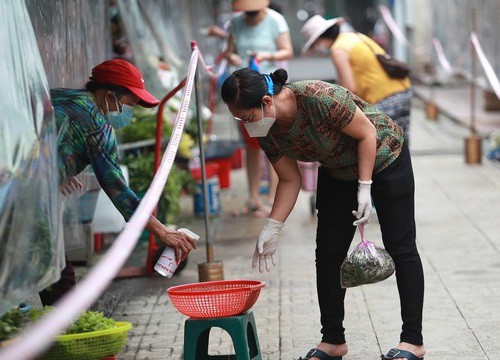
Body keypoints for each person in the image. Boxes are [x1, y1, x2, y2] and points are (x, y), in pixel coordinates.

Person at [220, 68, 425, 360]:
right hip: (338, 169)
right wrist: (273, 226)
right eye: (239, 119)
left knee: (401, 246)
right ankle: (332, 340)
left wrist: (365, 188)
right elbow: (290, 179)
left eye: (247, 117)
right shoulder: (268, 129)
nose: (246, 126)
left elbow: (367, 133)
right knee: (328, 253)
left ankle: (412, 341)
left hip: (383, 155)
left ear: (266, 102)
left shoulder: (318, 96)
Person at [39, 59, 197, 305]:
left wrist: (58, 168)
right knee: (58, 272)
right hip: (25, 193)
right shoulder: (97, 123)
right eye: (129, 104)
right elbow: (117, 188)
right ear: (110, 95)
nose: (129, 112)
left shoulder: (63, 97)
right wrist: (162, 231)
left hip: (18, 180)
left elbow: (43, 136)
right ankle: (62, 333)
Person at [224, 0, 293, 217]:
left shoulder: (275, 20)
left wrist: (267, 56)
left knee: (273, 143)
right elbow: (229, 51)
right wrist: (232, 57)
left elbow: (287, 51)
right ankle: (253, 198)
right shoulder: (235, 22)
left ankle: (273, 198)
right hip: (243, 90)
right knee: (251, 145)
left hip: (267, 88)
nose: (249, 15)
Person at [301, 15, 412, 143]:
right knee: (400, 143)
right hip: (402, 90)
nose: (317, 49)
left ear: (321, 39)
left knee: (384, 146)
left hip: (384, 97)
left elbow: (349, 89)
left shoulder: (338, 49)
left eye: (316, 44)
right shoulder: (353, 36)